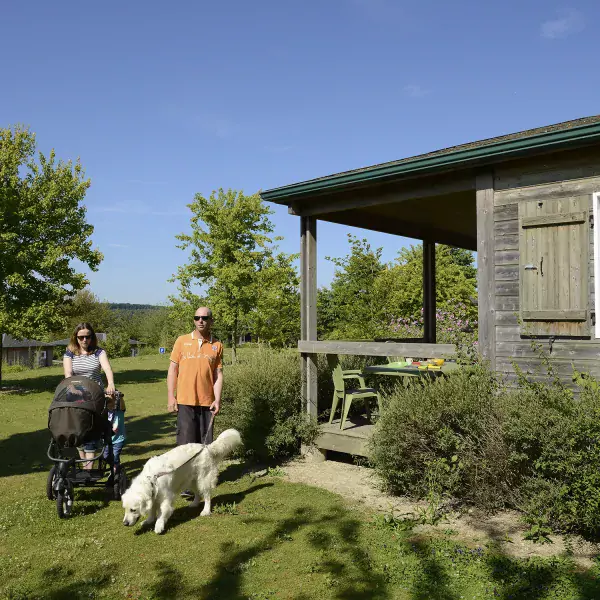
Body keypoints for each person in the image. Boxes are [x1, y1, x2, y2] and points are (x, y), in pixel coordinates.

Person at [167, 307, 223, 451]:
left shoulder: (217, 345)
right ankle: (185, 474)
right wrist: (171, 397)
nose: (200, 321)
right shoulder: (181, 341)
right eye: (197, 318)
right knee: (185, 446)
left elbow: (218, 375)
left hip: (207, 403)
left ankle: (203, 474)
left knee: (205, 447)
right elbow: (173, 370)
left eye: (204, 318)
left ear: (211, 321)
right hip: (185, 401)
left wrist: (217, 399)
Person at [63, 322, 116, 468]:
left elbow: (107, 368)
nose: (84, 340)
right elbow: (68, 374)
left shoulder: (99, 352)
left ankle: (89, 465)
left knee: (92, 427)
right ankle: (84, 462)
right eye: (81, 337)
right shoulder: (69, 353)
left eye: (88, 336)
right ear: (76, 338)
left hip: (95, 395)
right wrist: (73, 389)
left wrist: (110, 383)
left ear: (92, 337)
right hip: (75, 393)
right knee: (77, 428)